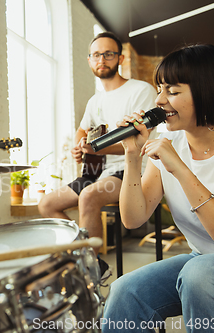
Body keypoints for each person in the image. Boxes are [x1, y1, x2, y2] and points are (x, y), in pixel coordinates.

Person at [102, 44, 214, 333]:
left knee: (199, 274)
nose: (160, 100)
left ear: (208, 91)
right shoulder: (172, 142)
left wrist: (179, 168)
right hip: (201, 259)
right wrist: (132, 155)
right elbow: (133, 218)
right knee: (124, 291)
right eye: (160, 89)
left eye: (173, 91)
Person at [38, 32, 157, 274]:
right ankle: (85, 256)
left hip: (132, 170)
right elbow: (82, 129)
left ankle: (90, 270)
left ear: (120, 59)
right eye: (95, 55)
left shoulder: (141, 90)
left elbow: (136, 139)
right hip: (97, 171)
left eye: (108, 54)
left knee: (89, 196)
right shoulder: (95, 100)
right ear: (89, 60)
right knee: (47, 204)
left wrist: (95, 147)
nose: (101, 59)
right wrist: (80, 146)